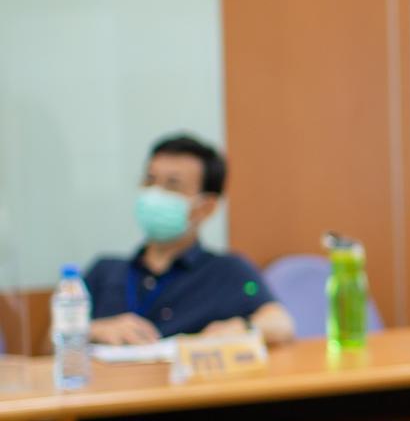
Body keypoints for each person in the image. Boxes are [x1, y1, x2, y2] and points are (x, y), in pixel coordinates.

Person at [83, 134, 295, 346]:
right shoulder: (105, 271)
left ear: (206, 207)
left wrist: (243, 327)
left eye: (172, 185)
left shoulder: (228, 272)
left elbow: (280, 324)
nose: (155, 194)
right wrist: (95, 330)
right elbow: (61, 334)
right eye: (150, 181)